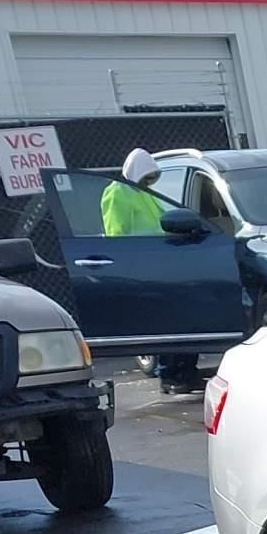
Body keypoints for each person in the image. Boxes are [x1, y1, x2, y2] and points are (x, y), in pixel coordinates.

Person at [105, 149, 201, 392]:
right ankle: (169, 376)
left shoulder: (144, 193)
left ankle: (185, 372)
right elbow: (116, 232)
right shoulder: (117, 192)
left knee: (181, 320)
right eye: (146, 176)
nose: (150, 181)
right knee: (165, 322)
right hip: (142, 264)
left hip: (161, 261)